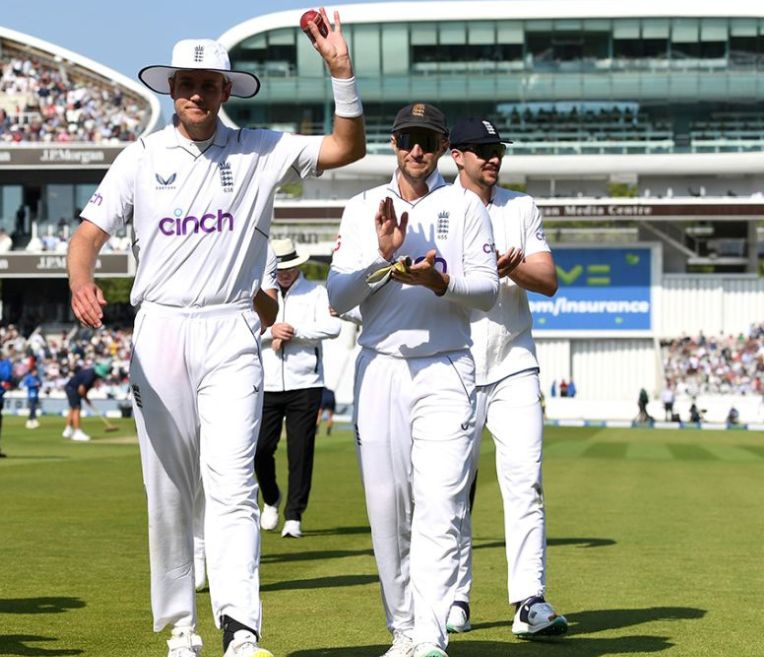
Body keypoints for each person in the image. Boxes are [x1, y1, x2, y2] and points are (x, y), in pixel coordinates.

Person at [68, 20, 366, 657]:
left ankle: (241, 628)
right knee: (168, 486)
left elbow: (347, 148)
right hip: (160, 328)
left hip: (232, 328)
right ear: (172, 88)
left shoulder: (261, 149)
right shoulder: (141, 157)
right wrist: (81, 280)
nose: (198, 95)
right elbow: (87, 234)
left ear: (226, 90)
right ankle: (182, 626)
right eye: (188, 84)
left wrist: (341, 71)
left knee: (231, 482)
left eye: (210, 85)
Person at [327, 102, 498, 657]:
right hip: (379, 367)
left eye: (427, 140)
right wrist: (383, 258)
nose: (416, 150)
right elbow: (336, 297)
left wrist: (438, 283)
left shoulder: (465, 207)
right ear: (393, 144)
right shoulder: (360, 208)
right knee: (386, 508)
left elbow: (488, 291)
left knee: (442, 502)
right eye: (407, 140)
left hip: (446, 364)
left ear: (445, 147)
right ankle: (402, 630)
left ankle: (430, 634)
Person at [444, 117, 568, 639]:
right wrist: (473, 275)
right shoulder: (436, 208)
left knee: (526, 484)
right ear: (457, 156)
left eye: (496, 149)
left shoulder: (521, 207)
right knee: (449, 489)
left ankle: (529, 603)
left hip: (515, 361)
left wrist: (510, 268)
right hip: (454, 362)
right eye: (480, 150)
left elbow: (549, 281)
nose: (492, 158)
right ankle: (452, 599)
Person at [255, 238, 341, 539]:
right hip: (266, 384)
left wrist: (293, 331)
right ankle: (272, 497)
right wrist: (270, 332)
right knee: (260, 449)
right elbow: (244, 327)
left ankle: (294, 515)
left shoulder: (316, 292)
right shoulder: (259, 293)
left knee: (300, 452)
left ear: (298, 265)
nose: (284, 273)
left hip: (306, 383)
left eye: (289, 267)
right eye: (279, 268)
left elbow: (333, 328)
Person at [62, 364, 98, 442]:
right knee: (76, 409)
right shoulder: (91, 375)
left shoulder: (89, 372)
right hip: (73, 389)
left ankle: (68, 430)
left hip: (70, 388)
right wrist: (86, 398)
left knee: (72, 408)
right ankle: (77, 432)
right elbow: (81, 389)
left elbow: (83, 389)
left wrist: (86, 399)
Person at [22, 362, 42, 429]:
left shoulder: (37, 378)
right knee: (32, 408)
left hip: (36, 394)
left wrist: (39, 385)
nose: (36, 373)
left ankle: (32, 420)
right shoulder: (28, 377)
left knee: (34, 408)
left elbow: (40, 383)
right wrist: (33, 385)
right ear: (32, 371)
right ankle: (31, 420)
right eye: (35, 372)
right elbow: (24, 385)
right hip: (31, 394)